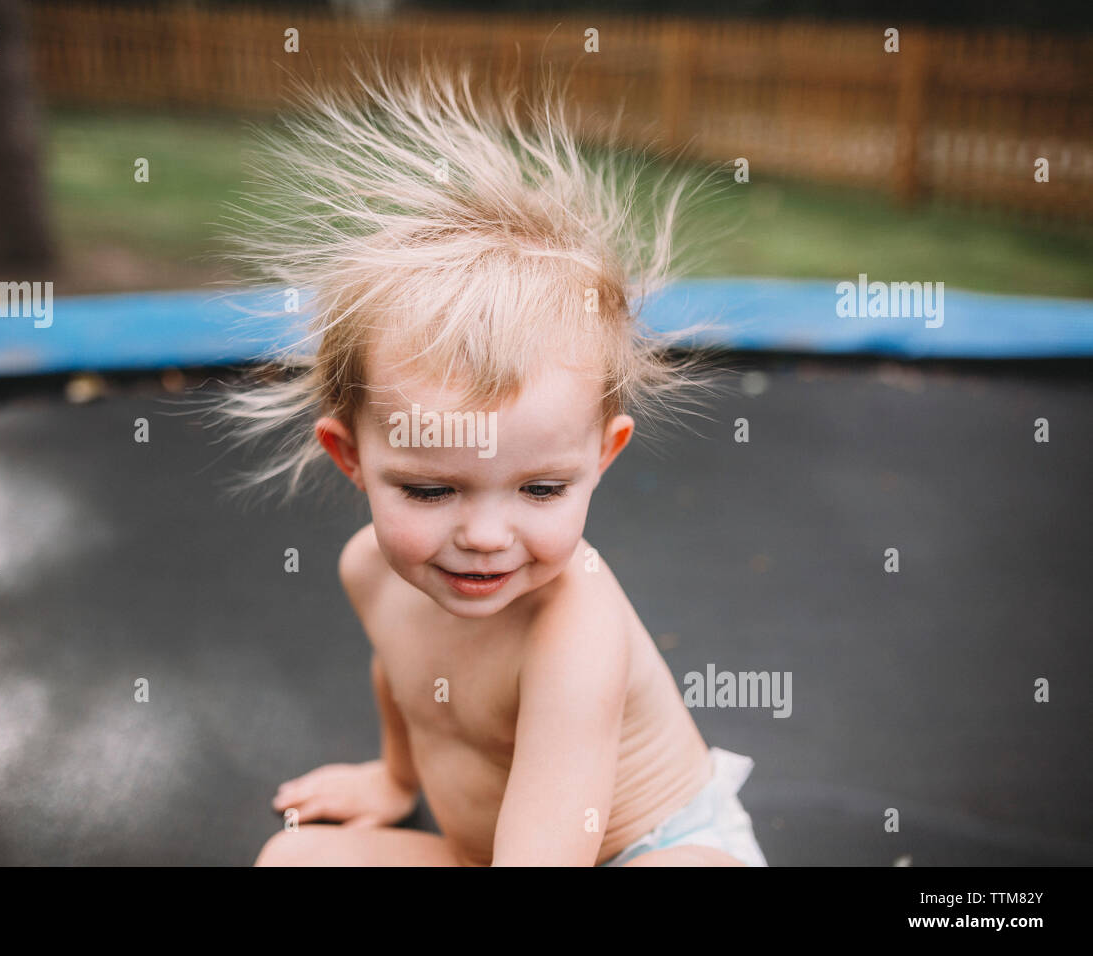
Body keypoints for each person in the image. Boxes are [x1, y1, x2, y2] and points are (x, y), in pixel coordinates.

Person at [217, 57, 767, 866]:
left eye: (541, 488)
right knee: (289, 862)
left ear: (600, 457)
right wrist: (395, 780)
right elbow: (403, 673)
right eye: (432, 489)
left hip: (653, 848)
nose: (483, 535)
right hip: (491, 853)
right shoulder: (368, 568)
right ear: (350, 456)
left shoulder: (573, 627)